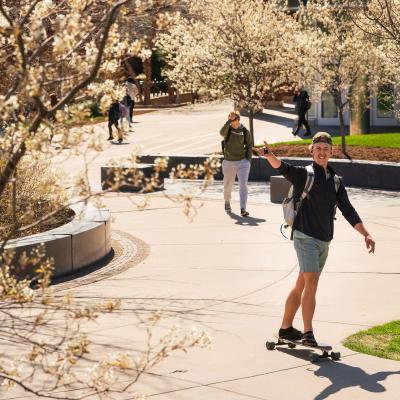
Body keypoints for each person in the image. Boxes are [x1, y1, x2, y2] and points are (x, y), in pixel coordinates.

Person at [256, 132, 375, 345]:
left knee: (302, 283)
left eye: (325, 149)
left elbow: (348, 209)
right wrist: (269, 156)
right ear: (311, 150)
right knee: (312, 282)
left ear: (331, 152)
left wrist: (366, 234)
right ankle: (308, 332)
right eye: (318, 148)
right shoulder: (305, 175)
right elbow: (284, 168)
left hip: (324, 241)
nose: (322, 152)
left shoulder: (336, 181)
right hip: (305, 236)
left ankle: (285, 329)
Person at [220, 111, 253, 216]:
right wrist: (229, 121)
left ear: (238, 119)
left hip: (242, 162)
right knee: (228, 185)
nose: (231, 121)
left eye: (233, 119)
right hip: (228, 162)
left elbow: (249, 145)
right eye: (230, 119)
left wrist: (248, 159)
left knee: (243, 185)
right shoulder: (228, 130)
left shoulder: (244, 131)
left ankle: (243, 209)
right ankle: (227, 202)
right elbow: (221, 133)